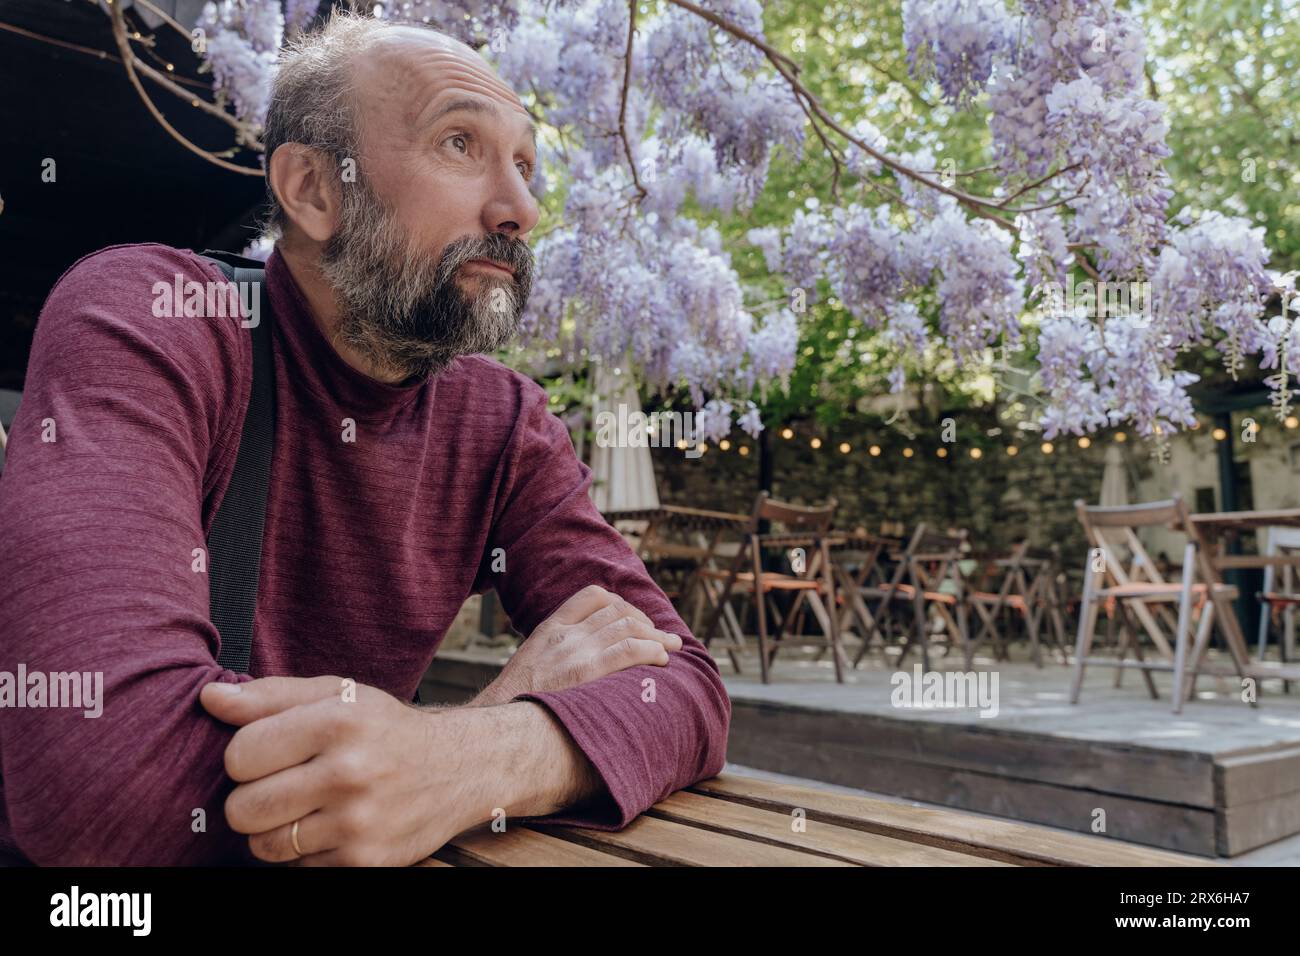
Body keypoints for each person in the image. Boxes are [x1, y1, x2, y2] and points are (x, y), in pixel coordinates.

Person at [0, 10, 729, 866]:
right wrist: (486, 724)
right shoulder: (151, 320)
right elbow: (105, 787)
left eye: (527, 165)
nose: (521, 207)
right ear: (312, 188)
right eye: (460, 145)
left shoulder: (505, 423)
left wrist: (468, 760)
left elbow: (688, 692)